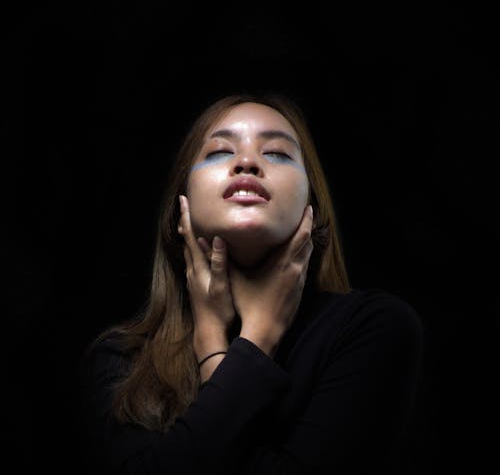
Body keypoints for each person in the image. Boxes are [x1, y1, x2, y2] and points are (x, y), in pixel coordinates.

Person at [80, 92, 423, 475]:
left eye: (276, 153)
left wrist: (228, 346)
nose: (246, 162)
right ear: (182, 204)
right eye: (219, 152)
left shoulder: (373, 329)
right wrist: (242, 339)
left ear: (312, 204)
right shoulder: (123, 359)